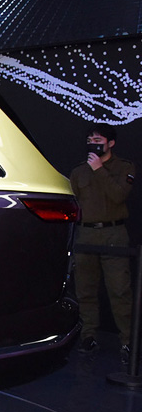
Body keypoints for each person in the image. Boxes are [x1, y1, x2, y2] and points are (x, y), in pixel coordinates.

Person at [71, 124, 135, 359]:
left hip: (113, 234)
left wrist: (99, 169)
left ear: (110, 143)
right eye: (90, 140)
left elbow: (119, 195)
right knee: (85, 289)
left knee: (119, 290)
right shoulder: (79, 171)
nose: (93, 144)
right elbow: (74, 202)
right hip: (86, 233)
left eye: (98, 140)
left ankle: (128, 341)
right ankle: (88, 336)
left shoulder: (124, 167)